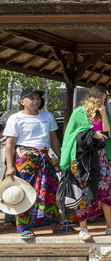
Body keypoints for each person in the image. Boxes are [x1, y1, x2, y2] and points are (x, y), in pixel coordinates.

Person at [60, 86, 111, 241]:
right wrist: (91, 133)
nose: (105, 101)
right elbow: (70, 134)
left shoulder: (104, 113)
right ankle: (83, 229)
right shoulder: (78, 113)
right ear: (94, 98)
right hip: (81, 157)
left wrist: (103, 115)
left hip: (100, 156)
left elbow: (107, 136)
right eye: (103, 98)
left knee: (105, 189)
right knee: (81, 190)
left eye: (105, 99)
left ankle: (110, 226)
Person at [3, 88, 62, 239]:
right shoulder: (15, 119)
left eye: (37, 98)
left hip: (44, 158)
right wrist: (10, 166)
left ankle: (55, 224)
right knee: (23, 193)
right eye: (31, 98)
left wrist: (61, 157)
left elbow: (53, 139)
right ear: (22, 102)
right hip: (24, 160)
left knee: (51, 189)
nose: (35, 101)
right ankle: (25, 227)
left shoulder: (48, 116)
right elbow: (10, 144)